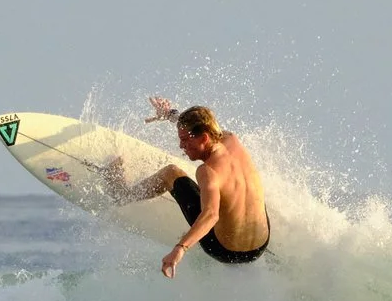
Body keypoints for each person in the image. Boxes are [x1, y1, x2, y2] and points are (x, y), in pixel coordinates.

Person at [107, 97, 271, 276]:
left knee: (170, 173)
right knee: (243, 190)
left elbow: (211, 215)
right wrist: (170, 115)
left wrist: (180, 248)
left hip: (225, 251)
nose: (181, 146)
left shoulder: (207, 171)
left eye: (185, 140)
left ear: (204, 138)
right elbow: (200, 126)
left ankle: (120, 194)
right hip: (260, 247)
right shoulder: (230, 138)